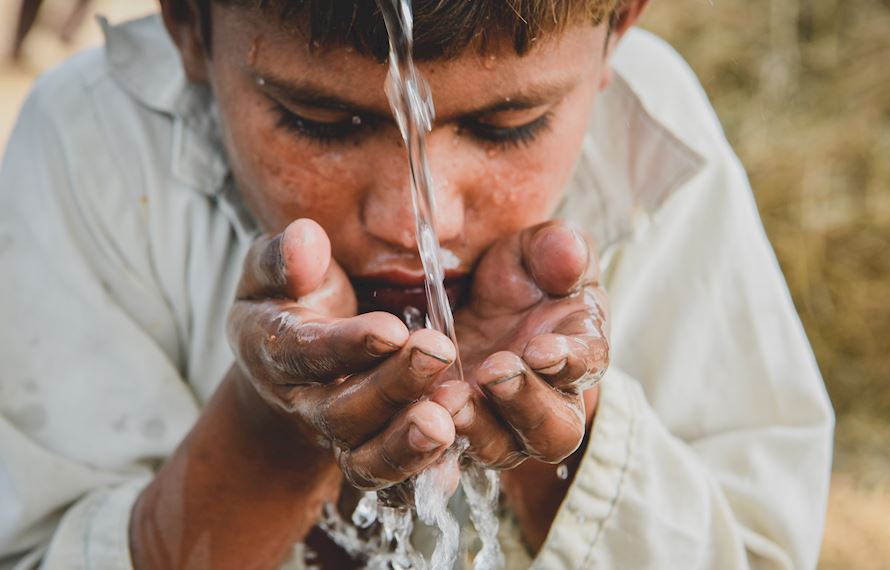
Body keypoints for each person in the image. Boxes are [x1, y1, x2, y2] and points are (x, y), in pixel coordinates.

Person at [0, 1, 835, 568]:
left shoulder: (652, 142)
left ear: (617, 28)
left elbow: (759, 547)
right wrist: (269, 432)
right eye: (323, 121)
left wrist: (556, 453)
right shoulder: (98, 145)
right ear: (190, 24)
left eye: (509, 125)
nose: (418, 221)